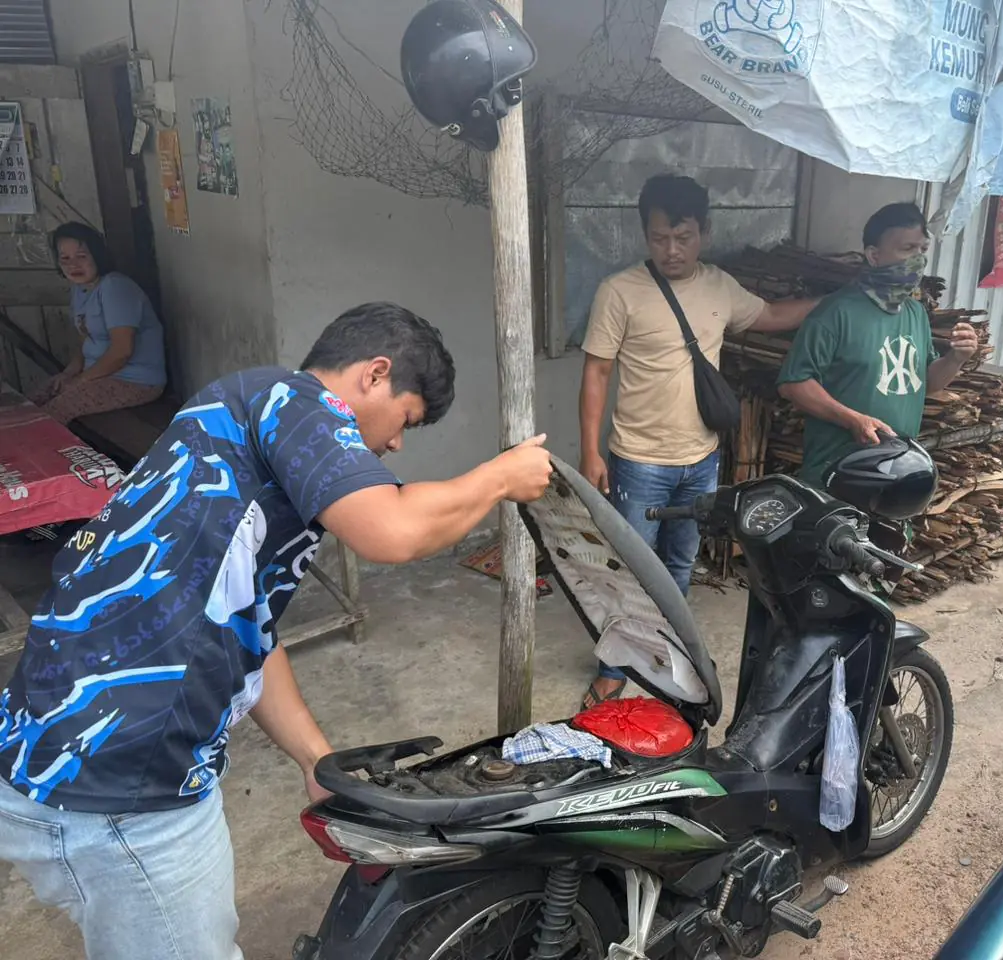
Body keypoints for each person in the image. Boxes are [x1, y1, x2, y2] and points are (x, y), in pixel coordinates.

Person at [0, 302, 554, 960]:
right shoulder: (291, 399)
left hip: (58, 757)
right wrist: (501, 476)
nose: (397, 445)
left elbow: (249, 631)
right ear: (375, 374)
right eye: (406, 420)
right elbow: (394, 530)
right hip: (121, 783)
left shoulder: (238, 429)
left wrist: (316, 761)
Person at [578, 174, 818, 708]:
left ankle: (668, 652)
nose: (671, 249)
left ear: (704, 232)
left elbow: (773, 316)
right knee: (630, 571)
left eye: (682, 236)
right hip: (638, 460)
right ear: (645, 234)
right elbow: (596, 373)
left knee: (682, 565)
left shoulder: (719, 287)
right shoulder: (619, 291)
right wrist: (591, 451)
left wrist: (833, 301)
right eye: (660, 237)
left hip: (701, 460)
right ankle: (614, 668)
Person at [777, 202, 979, 486]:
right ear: (873, 255)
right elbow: (794, 384)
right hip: (838, 473)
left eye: (922, 250)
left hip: (899, 473)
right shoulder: (836, 313)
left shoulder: (915, 313)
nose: (918, 260)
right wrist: (852, 420)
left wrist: (956, 359)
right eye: (906, 249)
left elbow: (927, 382)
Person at [32, 222, 168, 424]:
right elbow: (84, 341)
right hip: (96, 375)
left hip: (136, 381)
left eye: (82, 256)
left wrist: (79, 381)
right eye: (65, 258)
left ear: (97, 256)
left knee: (51, 415)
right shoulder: (80, 289)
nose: (73, 265)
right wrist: (68, 373)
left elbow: (122, 351)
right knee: (32, 402)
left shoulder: (115, 287)